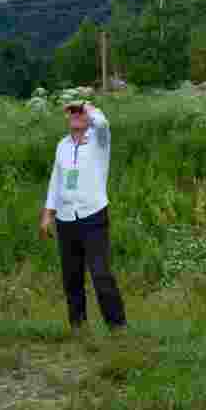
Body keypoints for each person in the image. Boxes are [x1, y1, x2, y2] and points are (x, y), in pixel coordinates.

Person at [40, 99, 127, 335]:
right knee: (72, 276)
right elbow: (56, 181)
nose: (76, 116)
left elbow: (103, 123)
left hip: (93, 215)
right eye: (72, 113)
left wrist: (86, 106)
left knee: (101, 273)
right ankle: (79, 327)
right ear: (66, 118)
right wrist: (48, 214)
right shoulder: (62, 146)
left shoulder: (99, 140)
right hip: (66, 218)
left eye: (80, 113)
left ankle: (117, 326)